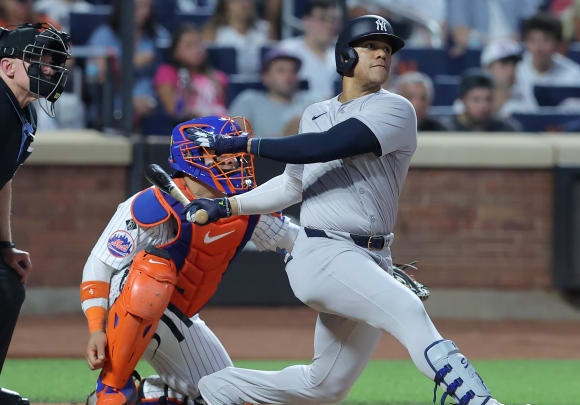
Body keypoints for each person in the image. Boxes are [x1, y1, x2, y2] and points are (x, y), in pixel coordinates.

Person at [182, 15, 507, 405]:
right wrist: (225, 205)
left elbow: (325, 146)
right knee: (407, 310)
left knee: (324, 388)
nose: (381, 54)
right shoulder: (315, 113)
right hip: (321, 252)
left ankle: (216, 390)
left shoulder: (396, 109)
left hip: (372, 257)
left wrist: (243, 145)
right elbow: (290, 186)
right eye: (371, 46)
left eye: (386, 49)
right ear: (345, 56)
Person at [83, 115, 299, 405]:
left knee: (226, 397)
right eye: (223, 153)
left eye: (235, 152)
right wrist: (96, 328)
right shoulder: (154, 202)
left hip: (181, 317)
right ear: (193, 158)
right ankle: (112, 389)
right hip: (131, 302)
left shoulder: (244, 204)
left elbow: (295, 239)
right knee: (152, 275)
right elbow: (100, 264)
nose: (235, 160)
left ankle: (146, 395)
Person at [0, 23, 71, 405]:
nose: (50, 70)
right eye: (39, 62)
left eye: (52, 62)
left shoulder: (23, 112)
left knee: (6, 283)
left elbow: (2, 178)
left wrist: (6, 246)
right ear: (8, 67)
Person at [86, 0, 170, 124]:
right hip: (113, 106)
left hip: (153, 107)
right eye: (137, 7)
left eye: (147, 6)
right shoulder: (103, 35)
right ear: (122, 7)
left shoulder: (160, 35)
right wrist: (130, 63)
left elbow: (169, 73)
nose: (144, 12)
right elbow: (96, 76)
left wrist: (151, 101)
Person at [228, 48, 316, 138]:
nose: (289, 76)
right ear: (265, 77)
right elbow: (236, 141)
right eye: (281, 71)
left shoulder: (310, 101)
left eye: (293, 71)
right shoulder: (248, 101)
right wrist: (286, 137)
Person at [154, 24, 229, 124]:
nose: (197, 50)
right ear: (175, 51)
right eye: (189, 46)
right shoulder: (167, 72)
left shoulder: (218, 76)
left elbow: (223, 108)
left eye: (199, 44)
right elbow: (173, 110)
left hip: (220, 127)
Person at [515, 13, 580, 110]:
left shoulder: (573, 72)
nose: (538, 47)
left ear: (557, 44)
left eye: (545, 40)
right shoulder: (516, 69)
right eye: (532, 40)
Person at [277, 0, 340, 100]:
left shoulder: (340, 55)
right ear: (306, 21)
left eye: (333, 20)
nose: (329, 25)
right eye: (322, 19)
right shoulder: (287, 49)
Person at [446, 0, 543, 57]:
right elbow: (461, 35)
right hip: (478, 54)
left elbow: (533, 25)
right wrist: (502, 44)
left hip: (518, 53)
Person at [203, 0, 271, 75]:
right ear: (225, 5)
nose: (245, 4)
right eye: (237, 1)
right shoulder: (213, 31)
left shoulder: (265, 28)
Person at [443, 69, 519, 132]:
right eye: (476, 99)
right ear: (462, 100)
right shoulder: (447, 129)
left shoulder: (505, 130)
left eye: (488, 99)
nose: (483, 105)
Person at [480, 38, 525, 117]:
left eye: (514, 64)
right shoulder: (471, 97)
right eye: (504, 64)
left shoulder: (525, 97)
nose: (511, 70)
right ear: (488, 68)